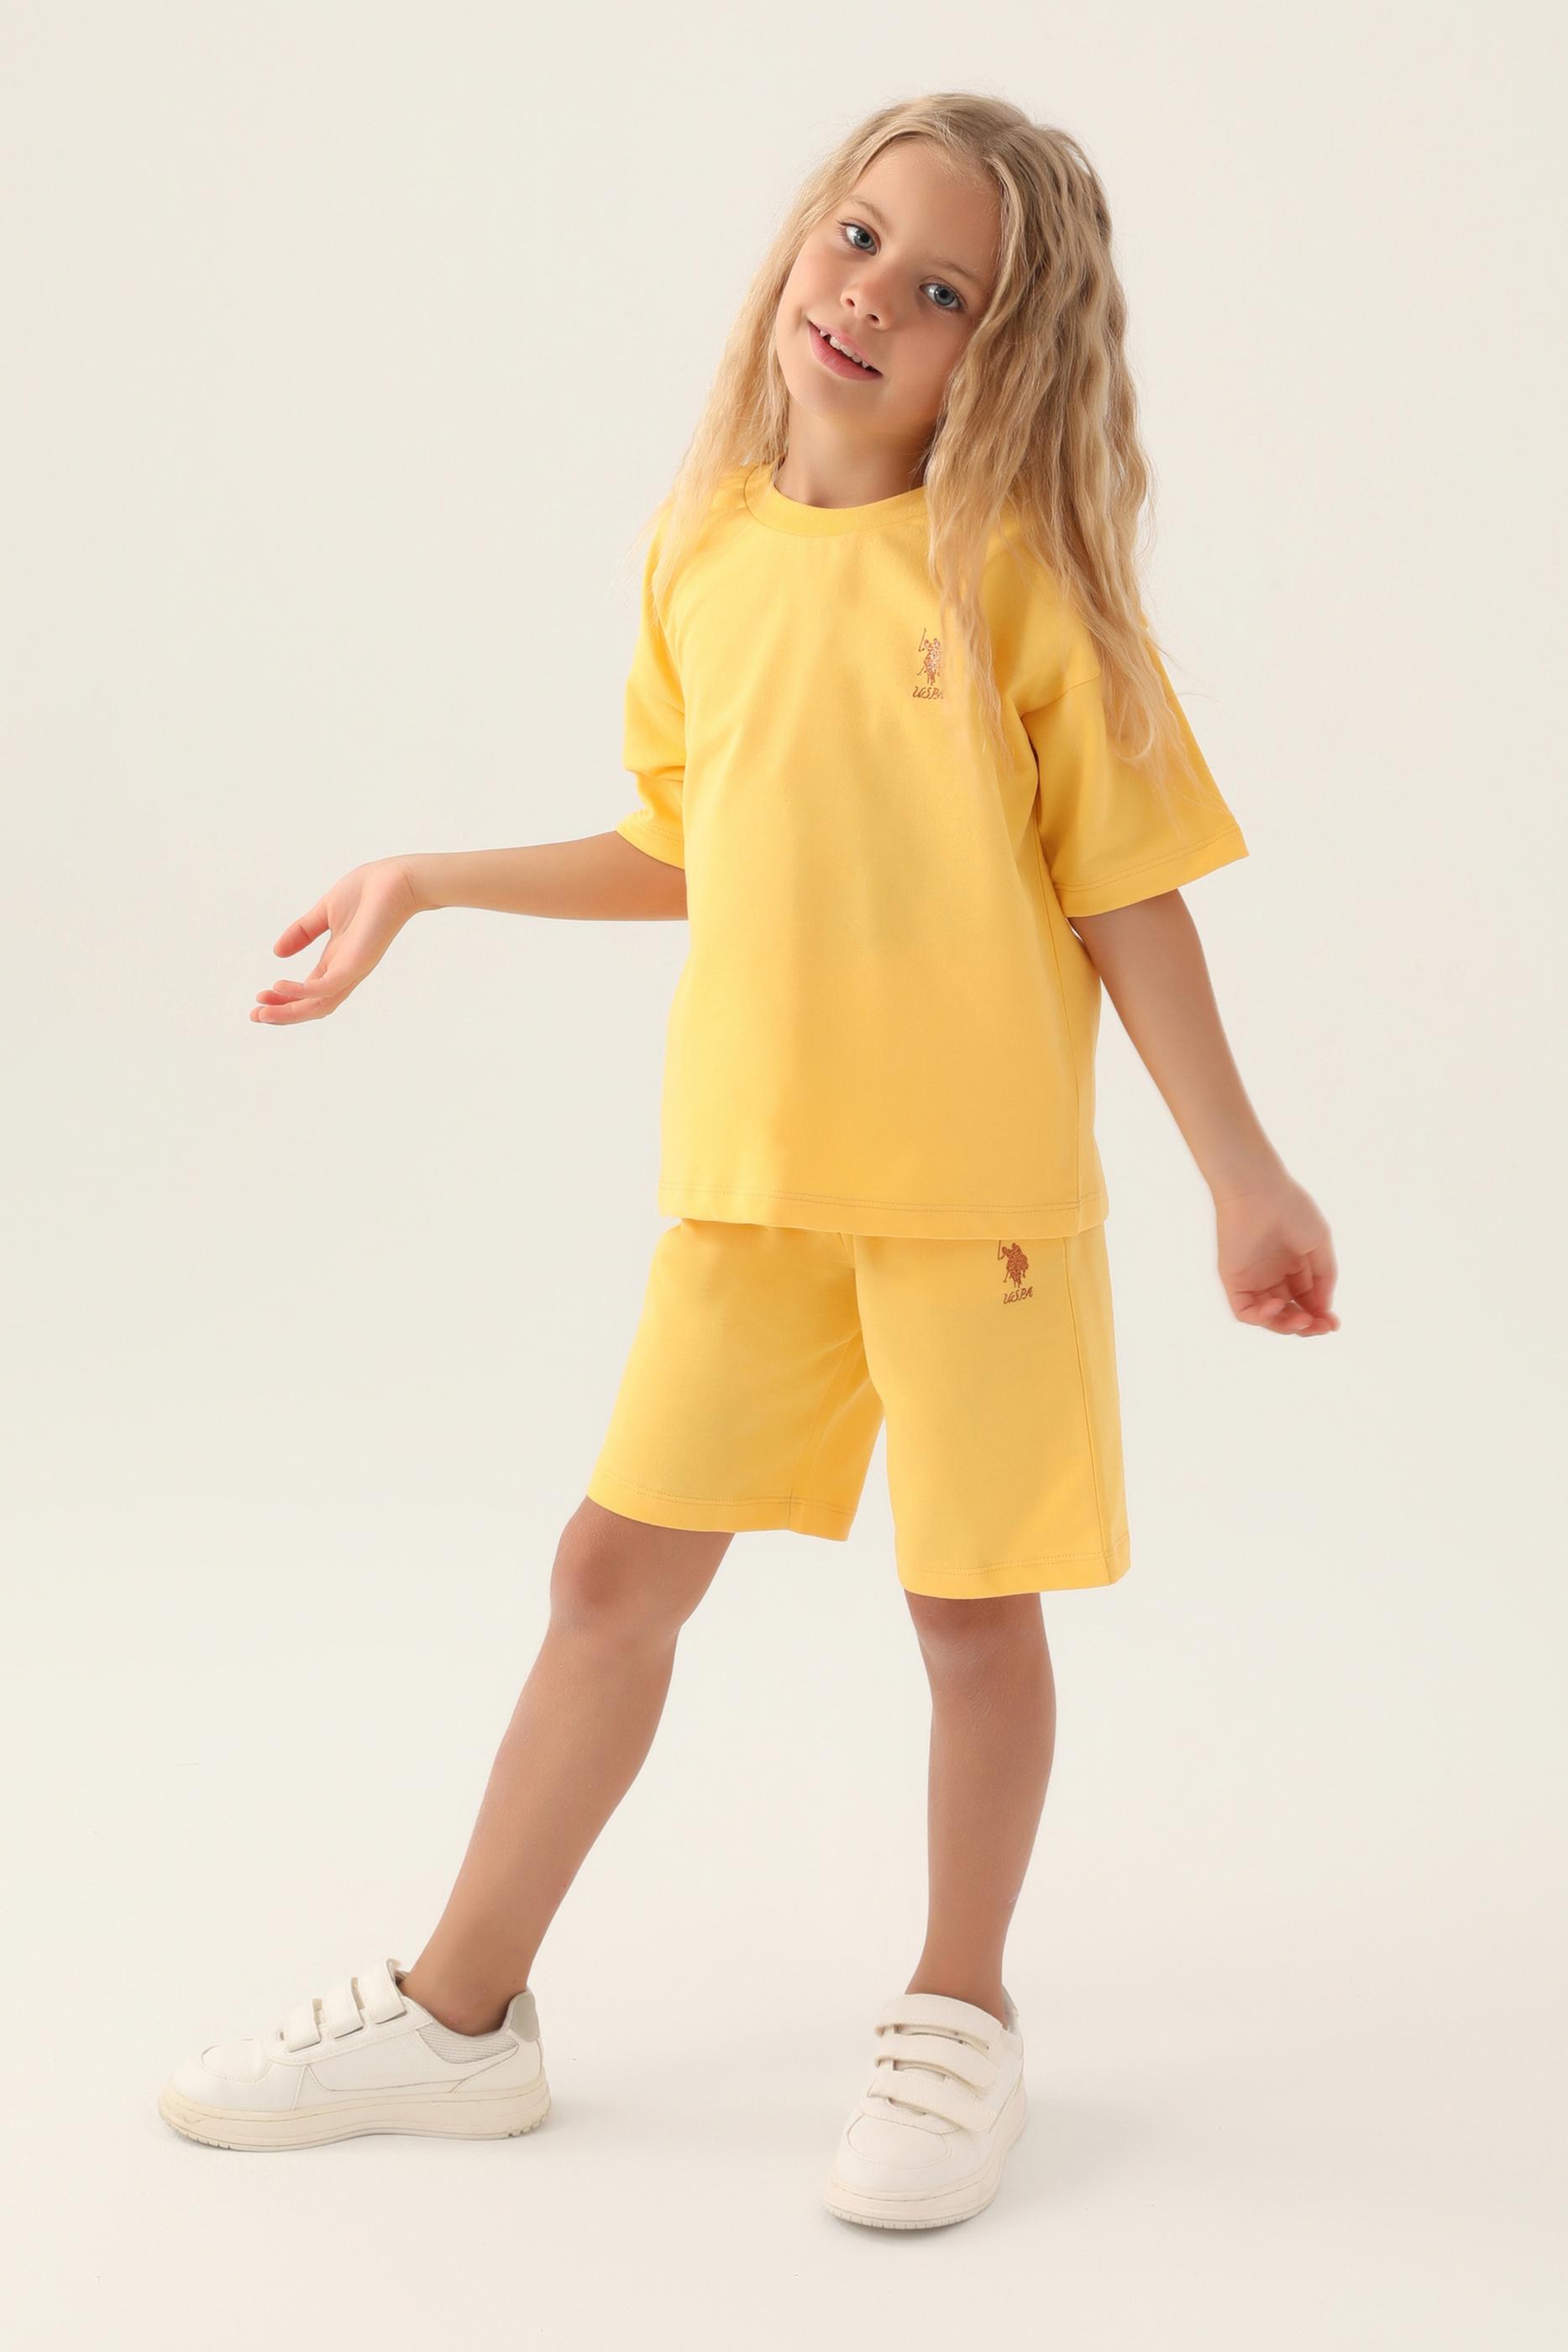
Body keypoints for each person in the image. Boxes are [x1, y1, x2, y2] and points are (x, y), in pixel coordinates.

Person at [160, 93, 1339, 2228]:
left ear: (1004, 353)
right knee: (608, 1578)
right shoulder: (700, 545)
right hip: (748, 1193)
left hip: (975, 1206)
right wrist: (429, 876)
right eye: (859, 236)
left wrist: (1238, 1171)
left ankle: (959, 2004)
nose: (870, 295)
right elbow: (688, 840)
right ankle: (457, 2013)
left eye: (941, 286)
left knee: (968, 1615)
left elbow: (1128, 890)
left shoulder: (1017, 577)